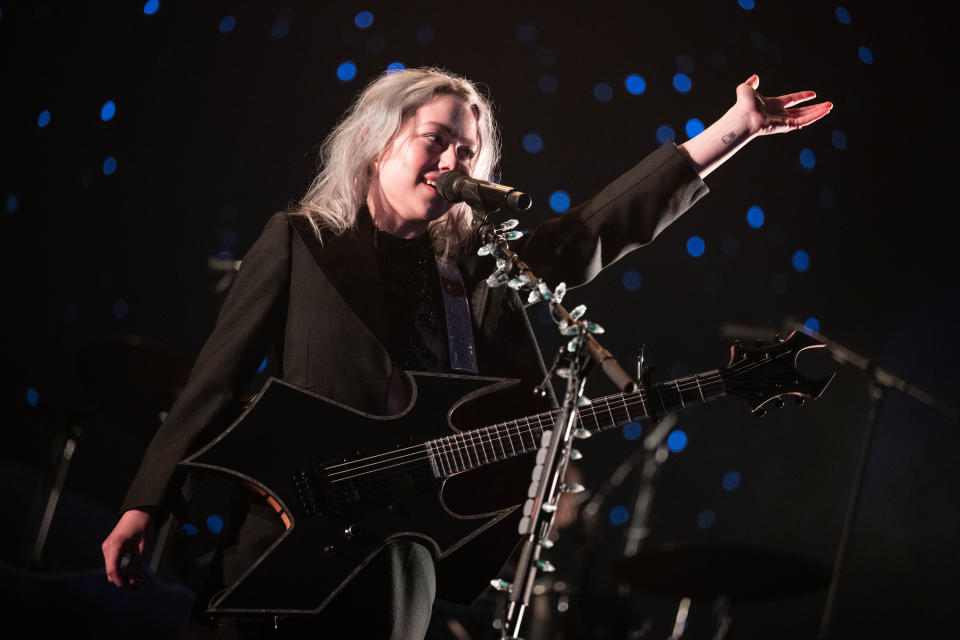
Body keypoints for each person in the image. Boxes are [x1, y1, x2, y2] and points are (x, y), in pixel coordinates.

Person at [101, 67, 831, 639]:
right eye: (436, 139)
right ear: (378, 140)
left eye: (468, 151)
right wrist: (146, 504)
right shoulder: (302, 242)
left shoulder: (479, 267)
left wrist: (731, 131)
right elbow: (215, 380)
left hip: (403, 563)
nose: (454, 159)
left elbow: (599, 229)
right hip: (286, 541)